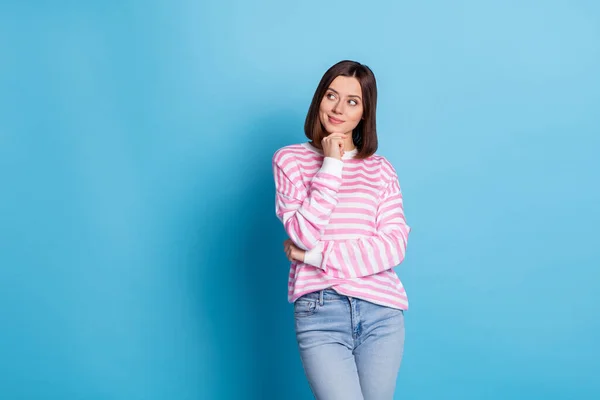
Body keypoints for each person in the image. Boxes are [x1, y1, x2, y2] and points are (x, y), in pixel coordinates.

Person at [271, 60, 411, 400]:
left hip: (381, 311)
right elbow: (303, 232)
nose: (338, 108)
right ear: (319, 98)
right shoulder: (289, 161)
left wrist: (315, 256)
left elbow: (393, 246)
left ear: (365, 112)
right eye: (331, 95)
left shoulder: (380, 169)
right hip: (320, 311)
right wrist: (332, 165)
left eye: (352, 101)